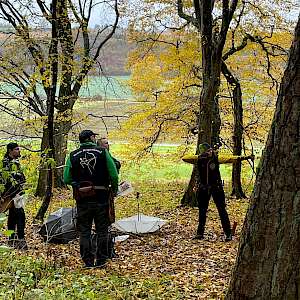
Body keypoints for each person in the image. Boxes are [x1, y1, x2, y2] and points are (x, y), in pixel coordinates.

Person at [63, 130, 118, 268]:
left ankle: (87, 262)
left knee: (85, 231)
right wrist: (114, 190)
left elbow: (66, 178)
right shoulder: (102, 152)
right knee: (102, 230)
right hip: (101, 197)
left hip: (83, 199)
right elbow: (114, 175)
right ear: (91, 138)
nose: (95, 138)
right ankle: (101, 261)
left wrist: (78, 184)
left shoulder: (72, 155)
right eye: (94, 136)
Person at [193, 142, 232, 241]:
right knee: (202, 211)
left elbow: (230, 159)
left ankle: (228, 233)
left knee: (221, 210)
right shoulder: (199, 160)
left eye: (210, 151)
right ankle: (199, 233)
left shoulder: (215, 158)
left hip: (216, 187)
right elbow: (198, 173)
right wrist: (196, 185)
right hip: (203, 188)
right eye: (207, 151)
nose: (209, 153)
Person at [2, 142, 27, 249]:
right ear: (10, 151)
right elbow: (3, 181)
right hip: (9, 195)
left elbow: (21, 178)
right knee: (20, 216)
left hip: (17, 194)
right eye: (16, 149)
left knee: (13, 217)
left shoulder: (15, 162)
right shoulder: (5, 163)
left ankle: (12, 239)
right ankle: (20, 240)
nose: (19, 151)